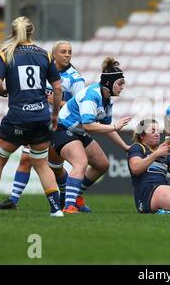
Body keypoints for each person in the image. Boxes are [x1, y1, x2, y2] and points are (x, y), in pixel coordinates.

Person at [0, 16, 63, 217]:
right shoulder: (45, 55)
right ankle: (56, 210)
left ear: (12, 32)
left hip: (17, 118)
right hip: (40, 119)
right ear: (32, 31)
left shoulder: (6, 53)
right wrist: (54, 115)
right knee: (41, 164)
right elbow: (57, 87)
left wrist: (3, 92)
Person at [0, 41, 86, 211]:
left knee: (57, 168)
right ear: (54, 54)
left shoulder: (76, 79)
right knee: (25, 159)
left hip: (60, 125)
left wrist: (57, 101)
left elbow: (81, 107)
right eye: (63, 52)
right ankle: (13, 200)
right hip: (38, 121)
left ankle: (67, 199)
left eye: (70, 52)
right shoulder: (42, 69)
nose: (67, 55)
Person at [51, 56, 132, 214]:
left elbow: (106, 127)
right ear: (109, 83)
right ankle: (68, 206)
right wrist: (115, 126)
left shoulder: (107, 99)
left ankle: (75, 197)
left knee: (102, 164)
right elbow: (89, 125)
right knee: (80, 163)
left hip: (77, 131)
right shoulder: (92, 95)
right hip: (62, 129)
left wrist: (125, 147)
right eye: (120, 83)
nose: (122, 87)